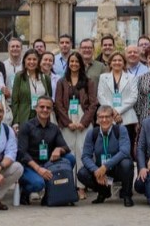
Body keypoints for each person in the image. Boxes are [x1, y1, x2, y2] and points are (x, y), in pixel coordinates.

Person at [54, 51, 97, 197]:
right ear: (68, 63)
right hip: (67, 120)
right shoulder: (61, 82)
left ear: (81, 64)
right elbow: (58, 104)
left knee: (82, 151)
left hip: (83, 118)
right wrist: (68, 122)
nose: (74, 64)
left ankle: (81, 187)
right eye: (71, 61)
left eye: (77, 62)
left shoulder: (88, 81)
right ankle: (69, 185)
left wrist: (84, 122)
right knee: (69, 152)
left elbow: (93, 104)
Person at [16, 96, 72, 203]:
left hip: (48, 164)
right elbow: (22, 153)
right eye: (42, 107)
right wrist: (38, 169)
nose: (45, 110)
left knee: (69, 158)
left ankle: (51, 191)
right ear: (36, 108)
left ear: (51, 110)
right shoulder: (26, 126)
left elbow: (66, 148)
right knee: (38, 184)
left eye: (48, 108)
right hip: (30, 166)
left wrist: (59, 149)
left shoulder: (54, 128)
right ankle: (25, 191)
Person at [79, 105, 134, 206]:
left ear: (112, 117)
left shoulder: (120, 130)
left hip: (116, 169)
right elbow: (85, 156)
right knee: (82, 173)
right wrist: (96, 170)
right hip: (100, 171)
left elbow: (124, 151)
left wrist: (105, 166)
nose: (104, 120)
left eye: (107, 117)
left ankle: (126, 195)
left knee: (127, 164)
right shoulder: (92, 133)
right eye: (101, 117)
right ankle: (103, 192)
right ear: (97, 119)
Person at [11, 51, 49, 128]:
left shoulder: (45, 77)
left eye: (34, 59)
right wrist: (15, 121)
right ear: (24, 60)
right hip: (24, 116)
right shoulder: (19, 76)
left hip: (42, 117)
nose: (32, 62)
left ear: (38, 61)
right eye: (29, 59)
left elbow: (48, 98)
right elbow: (14, 101)